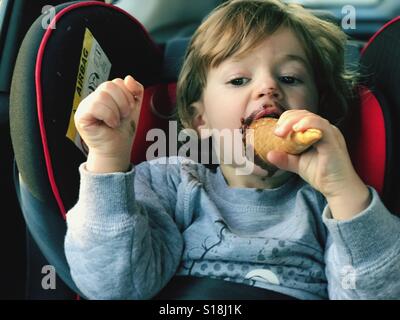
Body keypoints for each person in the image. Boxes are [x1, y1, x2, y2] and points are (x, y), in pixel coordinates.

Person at [65, 0, 400, 299]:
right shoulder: (171, 184)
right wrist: (108, 158)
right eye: (239, 80)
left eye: (290, 78)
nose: (268, 87)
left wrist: (344, 191)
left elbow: (377, 292)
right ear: (201, 120)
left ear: (318, 113)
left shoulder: (330, 206)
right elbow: (113, 287)